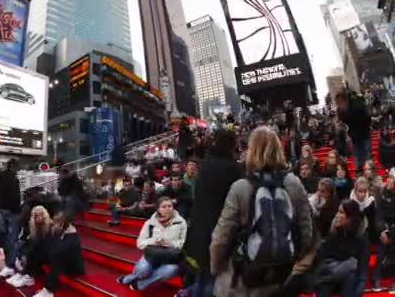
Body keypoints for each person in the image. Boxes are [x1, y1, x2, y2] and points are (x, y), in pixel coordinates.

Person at [210, 126, 313, 297]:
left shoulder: (240, 187)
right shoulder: (294, 183)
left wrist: (215, 267)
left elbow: (221, 237)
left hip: (247, 280)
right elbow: (306, 232)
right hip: (283, 276)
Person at [178, 129, 243, 297]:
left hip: (199, 230)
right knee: (213, 281)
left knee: (203, 276)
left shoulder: (205, 165)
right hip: (219, 232)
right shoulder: (233, 169)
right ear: (231, 145)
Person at [117, 197, 187, 291]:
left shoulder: (181, 223)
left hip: (170, 257)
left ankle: (142, 284)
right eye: (163, 207)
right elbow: (140, 243)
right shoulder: (150, 223)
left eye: (170, 206)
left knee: (171, 270)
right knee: (143, 269)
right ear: (158, 209)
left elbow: (183, 242)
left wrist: (171, 244)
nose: (167, 209)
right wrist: (154, 241)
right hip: (152, 255)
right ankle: (131, 277)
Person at [314, 200, 368, 297]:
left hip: (348, 280)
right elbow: (321, 260)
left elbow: (362, 269)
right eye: (338, 211)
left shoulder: (360, 240)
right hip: (329, 275)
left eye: (341, 212)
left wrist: (359, 289)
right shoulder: (332, 236)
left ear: (350, 218)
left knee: (351, 274)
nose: (337, 215)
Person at [32, 212, 84, 297]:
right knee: (38, 249)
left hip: (74, 267)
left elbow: (56, 252)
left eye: (55, 224)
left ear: (61, 224)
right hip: (63, 260)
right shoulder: (62, 231)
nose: (53, 225)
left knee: (57, 259)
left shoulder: (72, 239)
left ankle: (48, 290)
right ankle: (29, 274)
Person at [7, 206, 52, 288]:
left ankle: (28, 276)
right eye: (34, 215)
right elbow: (32, 241)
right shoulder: (34, 226)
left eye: (37, 215)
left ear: (44, 215)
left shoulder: (50, 226)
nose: (35, 218)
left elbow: (48, 245)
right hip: (40, 251)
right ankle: (23, 273)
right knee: (26, 248)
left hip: (50, 252)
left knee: (33, 252)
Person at [349, 176, 379, 295]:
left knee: (363, 268)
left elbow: (374, 220)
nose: (362, 194)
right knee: (353, 268)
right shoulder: (350, 202)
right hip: (352, 237)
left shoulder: (371, 201)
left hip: (366, 236)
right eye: (359, 191)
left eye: (364, 192)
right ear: (355, 190)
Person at [0, 159, 22, 278]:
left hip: (1, 210)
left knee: (5, 238)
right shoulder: (14, 180)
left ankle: (8, 263)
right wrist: (17, 211)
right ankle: (11, 265)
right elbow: (16, 196)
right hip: (11, 212)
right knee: (13, 239)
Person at [336, 90, 372, 174]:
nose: (339, 104)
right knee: (357, 156)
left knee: (367, 154)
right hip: (354, 136)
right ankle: (358, 173)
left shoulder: (357, 105)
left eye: (340, 102)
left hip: (364, 133)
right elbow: (343, 122)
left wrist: (366, 126)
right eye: (338, 103)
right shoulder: (340, 110)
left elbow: (366, 117)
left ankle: (369, 172)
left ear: (345, 100)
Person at [372, 173, 395, 291]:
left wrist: (390, 232)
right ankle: (376, 277)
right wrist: (383, 230)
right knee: (381, 246)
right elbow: (378, 215)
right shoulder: (380, 193)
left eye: (392, 178)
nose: (388, 180)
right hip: (382, 227)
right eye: (389, 177)